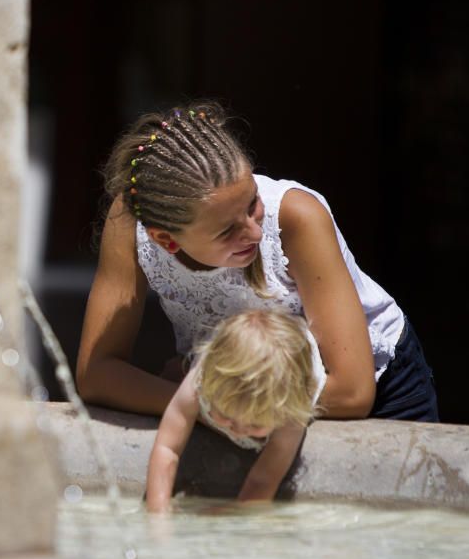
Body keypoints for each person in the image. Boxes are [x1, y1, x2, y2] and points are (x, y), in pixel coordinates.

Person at [75, 101, 438, 422]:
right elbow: (97, 374)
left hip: (377, 391)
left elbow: (352, 393)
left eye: (252, 204)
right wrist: (198, 400)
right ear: (166, 240)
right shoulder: (132, 224)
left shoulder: (295, 219)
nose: (252, 232)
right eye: (226, 230)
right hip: (247, 395)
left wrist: (209, 396)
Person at [145, 309, 326, 512]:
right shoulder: (200, 380)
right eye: (225, 416)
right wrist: (157, 514)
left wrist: (235, 517)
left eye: (256, 424)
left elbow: (262, 481)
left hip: (297, 368)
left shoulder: (289, 412)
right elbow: (167, 449)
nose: (238, 431)